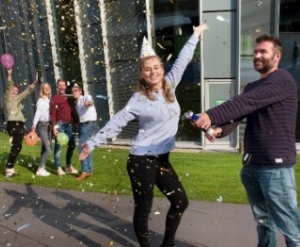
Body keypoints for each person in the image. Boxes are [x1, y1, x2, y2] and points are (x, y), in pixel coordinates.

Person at [79, 24, 209, 246]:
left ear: (161, 67)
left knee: (180, 202)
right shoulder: (138, 99)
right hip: (141, 160)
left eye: (156, 67)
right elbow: (117, 121)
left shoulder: (170, 83)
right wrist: (92, 142)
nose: (153, 72)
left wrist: (195, 35)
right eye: (148, 69)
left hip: (162, 158)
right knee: (144, 207)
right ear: (142, 73)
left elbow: (182, 60)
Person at [193, 34, 300, 246]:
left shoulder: (282, 80)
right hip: (252, 166)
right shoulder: (253, 87)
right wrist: (218, 129)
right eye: (255, 51)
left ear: (277, 56)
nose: (257, 55)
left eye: (263, 51)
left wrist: (210, 115)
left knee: (291, 229)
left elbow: (244, 102)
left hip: (276, 169)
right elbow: (237, 116)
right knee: (263, 222)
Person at [3, 68, 36, 177]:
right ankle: (8, 167)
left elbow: (26, 93)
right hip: (13, 124)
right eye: (13, 90)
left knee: (18, 146)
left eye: (16, 90)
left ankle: (10, 167)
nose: (14, 92)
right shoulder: (8, 98)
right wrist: (9, 74)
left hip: (20, 125)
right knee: (16, 146)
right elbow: (9, 85)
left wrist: (34, 83)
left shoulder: (17, 99)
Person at [50, 79, 79, 176]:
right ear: (57, 86)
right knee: (58, 146)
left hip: (69, 124)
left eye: (63, 85)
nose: (62, 87)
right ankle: (58, 168)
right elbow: (53, 115)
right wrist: (54, 128)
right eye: (60, 85)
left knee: (72, 145)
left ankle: (68, 167)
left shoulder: (69, 98)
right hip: (60, 124)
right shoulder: (54, 99)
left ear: (66, 86)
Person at [71, 83, 97, 181]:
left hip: (89, 124)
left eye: (76, 90)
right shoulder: (77, 104)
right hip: (83, 125)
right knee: (87, 147)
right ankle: (89, 171)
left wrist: (88, 103)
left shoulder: (86, 97)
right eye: (72, 91)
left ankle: (84, 171)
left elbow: (90, 102)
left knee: (81, 146)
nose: (74, 92)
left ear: (80, 91)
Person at [31, 82, 52, 177]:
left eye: (48, 87)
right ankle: (40, 169)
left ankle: (42, 167)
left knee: (44, 148)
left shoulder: (49, 100)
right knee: (48, 149)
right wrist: (34, 123)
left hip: (49, 126)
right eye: (45, 87)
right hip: (42, 125)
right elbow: (38, 112)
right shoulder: (41, 101)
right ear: (42, 90)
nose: (47, 89)